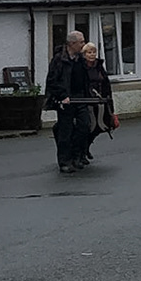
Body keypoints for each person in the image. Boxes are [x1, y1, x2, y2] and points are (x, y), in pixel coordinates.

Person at [45, 30, 92, 174]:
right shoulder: (59, 60)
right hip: (65, 100)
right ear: (72, 43)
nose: (83, 45)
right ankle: (64, 161)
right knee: (66, 131)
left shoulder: (81, 60)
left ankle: (77, 156)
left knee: (85, 126)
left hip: (80, 98)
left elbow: (85, 79)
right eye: (81, 42)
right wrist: (62, 95)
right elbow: (52, 81)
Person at [81, 42, 115, 160]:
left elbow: (106, 85)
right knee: (88, 127)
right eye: (89, 52)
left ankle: (87, 147)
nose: (92, 55)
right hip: (87, 101)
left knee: (100, 127)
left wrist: (110, 103)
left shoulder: (99, 66)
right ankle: (82, 151)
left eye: (94, 52)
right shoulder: (81, 67)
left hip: (101, 102)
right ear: (84, 54)